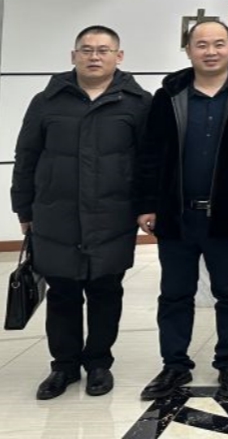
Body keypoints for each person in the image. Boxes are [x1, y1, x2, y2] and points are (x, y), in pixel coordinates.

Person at [135, 20, 228, 400]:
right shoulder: (169, 96)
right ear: (188, 50)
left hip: (227, 215)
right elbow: (150, 154)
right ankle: (174, 365)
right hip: (176, 215)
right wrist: (147, 204)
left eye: (218, 44)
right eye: (201, 45)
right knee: (174, 295)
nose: (210, 52)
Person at [11, 26, 151, 400]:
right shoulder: (47, 101)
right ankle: (64, 366)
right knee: (62, 293)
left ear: (119, 56)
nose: (94, 56)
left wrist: (147, 207)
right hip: (56, 215)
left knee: (106, 291)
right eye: (86, 50)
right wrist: (23, 207)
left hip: (113, 215)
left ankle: (99, 363)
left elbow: (149, 163)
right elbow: (26, 157)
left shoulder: (138, 102)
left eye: (103, 50)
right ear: (73, 56)